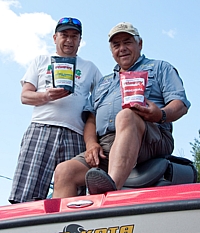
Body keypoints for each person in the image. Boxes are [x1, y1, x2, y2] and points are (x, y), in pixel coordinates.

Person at [52, 22, 191, 198]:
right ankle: (65, 224)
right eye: (116, 45)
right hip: (107, 145)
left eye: (127, 42)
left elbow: (180, 104)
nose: (122, 48)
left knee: (126, 115)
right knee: (64, 171)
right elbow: (91, 120)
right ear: (111, 51)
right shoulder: (104, 82)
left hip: (150, 135)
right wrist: (91, 144)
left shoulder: (160, 68)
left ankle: (109, 189)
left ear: (139, 44)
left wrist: (160, 114)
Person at [9, 17, 102, 203]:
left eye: (74, 36)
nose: (69, 40)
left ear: (80, 40)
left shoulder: (89, 67)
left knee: (72, 198)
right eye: (64, 35)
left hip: (76, 134)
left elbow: (102, 97)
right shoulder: (41, 61)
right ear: (54, 38)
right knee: (26, 194)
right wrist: (47, 96)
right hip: (41, 128)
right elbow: (25, 96)